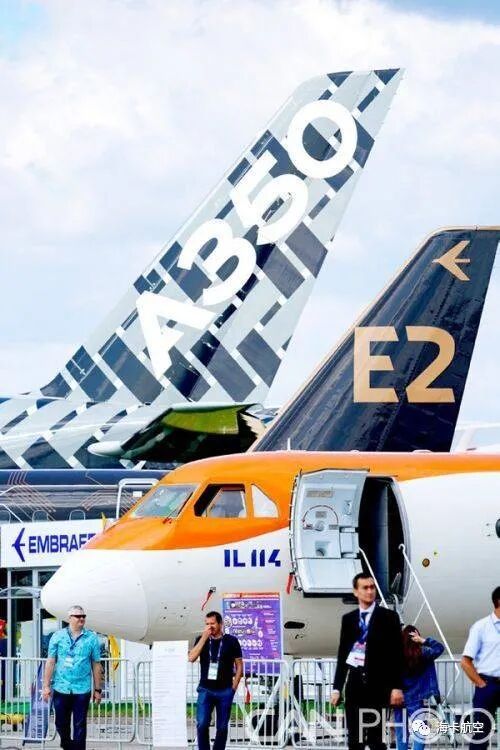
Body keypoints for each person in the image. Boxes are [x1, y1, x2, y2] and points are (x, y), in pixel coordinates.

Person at [331, 573, 404, 750]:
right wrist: (337, 688)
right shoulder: (348, 620)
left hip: (379, 687)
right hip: (355, 686)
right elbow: (343, 655)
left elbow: (397, 654)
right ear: (356, 592)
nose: (370, 591)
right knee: (354, 740)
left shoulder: (389, 617)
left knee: (375, 739)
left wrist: (396, 687)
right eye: (365, 588)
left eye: (372, 587)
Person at [42, 605, 102, 750]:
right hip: (61, 687)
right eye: (78, 616)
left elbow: (96, 664)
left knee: (80, 724)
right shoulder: (58, 636)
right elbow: (51, 661)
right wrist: (46, 686)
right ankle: (67, 744)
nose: (81, 619)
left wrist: (98, 689)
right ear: (69, 618)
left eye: (83, 616)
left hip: (82, 689)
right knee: (60, 723)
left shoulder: (91, 638)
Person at [189, 611, 243, 750]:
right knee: (202, 723)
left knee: (222, 727)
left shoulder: (231, 641)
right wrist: (204, 638)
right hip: (205, 689)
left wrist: (234, 686)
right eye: (207, 624)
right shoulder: (201, 639)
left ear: (220, 624)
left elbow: (239, 664)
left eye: (212, 623)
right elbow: (191, 658)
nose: (209, 626)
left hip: (225, 690)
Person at [461, 586, 500, 750]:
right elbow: (465, 661)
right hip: (488, 684)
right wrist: (481, 683)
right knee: (482, 733)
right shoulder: (481, 627)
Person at [394, 626, 444, 750]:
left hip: (398, 697)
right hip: (417, 697)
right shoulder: (423, 652)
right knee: (420, 732)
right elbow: (439, 648)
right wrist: (423, 640)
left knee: (401, 732)